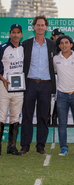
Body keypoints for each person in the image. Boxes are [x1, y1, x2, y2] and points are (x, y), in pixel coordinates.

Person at [20, 15, 56, 155]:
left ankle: (40, 146)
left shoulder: (52, 45)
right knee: (27, 116)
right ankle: (25, 146)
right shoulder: (26, 44)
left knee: (43, 116)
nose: (40, 27)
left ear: (46, 28)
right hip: (29, 83)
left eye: (43, 25)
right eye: (38, 25)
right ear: (33, 27)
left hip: (46, 85)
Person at [0, 24, 24, 156]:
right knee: (1, 116)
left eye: (18, 32)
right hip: (4, 87)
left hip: (19, 88)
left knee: (15, 116)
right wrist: (2, 79)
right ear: (10, 34)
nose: (16, 35)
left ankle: (12, 147)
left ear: (21, 34)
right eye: (13, 32)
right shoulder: (3, 48)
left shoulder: (23, 48)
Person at [49, 28, 64, 126]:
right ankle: (46, 118)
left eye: (61, 35)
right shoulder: (48, 45)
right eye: (58, 36)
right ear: (53, 36)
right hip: (49, 75)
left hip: (60, 75)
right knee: (48, 99)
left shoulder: (63, 47)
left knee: (58, 98)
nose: (60, 38)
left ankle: (54, 118)